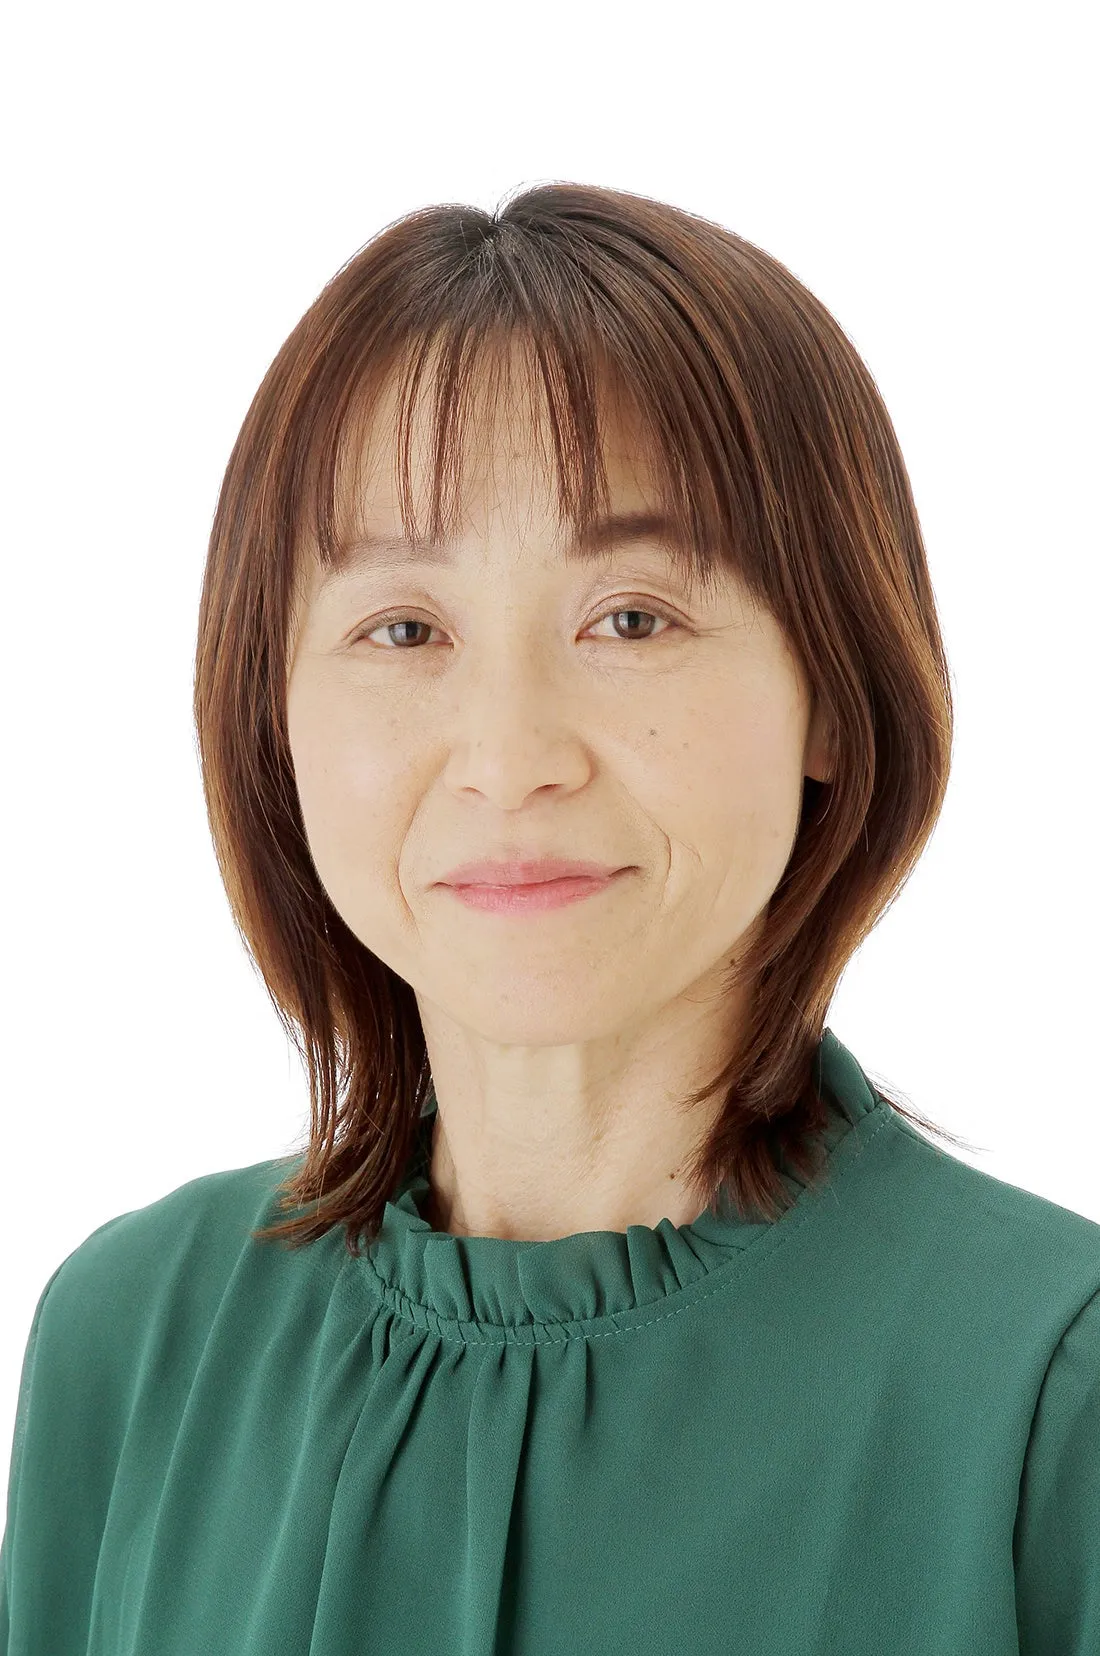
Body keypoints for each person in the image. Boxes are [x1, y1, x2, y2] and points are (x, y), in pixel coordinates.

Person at [3, 182, 1098, 1654]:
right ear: (276, 718)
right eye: (403, 628)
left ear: (834, 693)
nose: (510, 756)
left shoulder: (1052, 1393)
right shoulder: (133, 1345)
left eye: (631, 618)